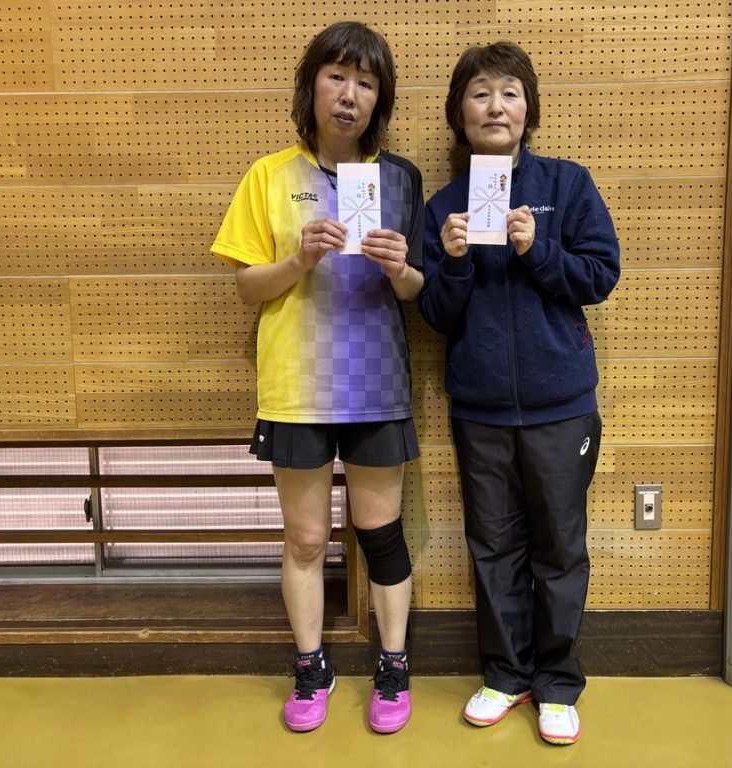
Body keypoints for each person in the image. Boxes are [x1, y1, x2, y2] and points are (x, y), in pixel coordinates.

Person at [211, 21, 424, 735]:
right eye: (337, 77)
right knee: (305, 539)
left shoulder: (400, 179)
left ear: (379, 100)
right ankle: (311, 668)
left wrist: (399, 268)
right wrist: (298, 259)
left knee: (380, 533)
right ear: (311, 86)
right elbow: (247, 288)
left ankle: (393, 666)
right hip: (296, 387)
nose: (350, 95)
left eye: (366, 83)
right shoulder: (268, 176)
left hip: (378, 384)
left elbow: (421, 289)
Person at [419, 42, 620, 746]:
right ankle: (506, 675)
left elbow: (600, 276)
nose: (495, 106)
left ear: (528, 109)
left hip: (562, 406)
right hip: (479, 410)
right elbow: (436, 316)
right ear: (459, 114)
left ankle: (558, 684)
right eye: (479, 93)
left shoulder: (567, 184)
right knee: (493, 546)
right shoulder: (444, 207)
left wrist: (540, 250)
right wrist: (452, 262)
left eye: (509, 92)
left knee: (559, 547)